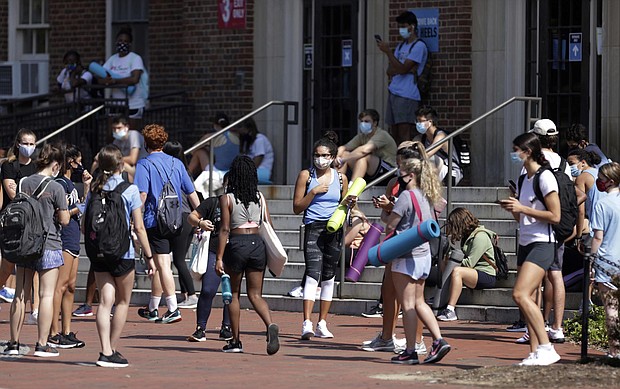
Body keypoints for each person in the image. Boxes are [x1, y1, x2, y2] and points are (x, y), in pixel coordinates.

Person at [384, 144, 451, 364]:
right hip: (423, 255)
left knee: (408, 305)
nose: (398, 174)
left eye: (401, 171)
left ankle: (410, 350)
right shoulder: (427, 194)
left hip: (405, 256)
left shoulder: (406, 196)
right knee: (420, 302)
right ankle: (439, 339)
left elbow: (390, 225)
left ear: (410, 174)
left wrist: (385, 211)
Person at [87, 145, 153, 368]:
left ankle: (104, 348)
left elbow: (85, 222)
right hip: (123, 252)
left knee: (105, 302)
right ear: (121, 165)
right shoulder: (130, 190)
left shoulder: (94, 188)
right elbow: (140, 227)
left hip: (99, 252)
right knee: (123, 301)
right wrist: (149, 255)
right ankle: (111, 350)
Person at [499, 132, 562, 366]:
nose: (514, 154)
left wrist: (522, 209)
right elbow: (523, 218)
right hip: (526, 242)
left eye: (517, 150)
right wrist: (514, 209)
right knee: (529, 299)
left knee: (520, 294)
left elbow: (555, 215)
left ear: (528, 151)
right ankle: (535, 351)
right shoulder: (525, 178)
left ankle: (547, 347)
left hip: (543, 244)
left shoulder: (545, 178)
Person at [362, 142, 429, 355]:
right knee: (388, 292)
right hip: (395, 242)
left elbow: (423, 213)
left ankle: (418, 341)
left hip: (413, 244)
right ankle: (386, 337)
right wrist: (386, 207)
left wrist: (393, 208)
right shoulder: (394, 182)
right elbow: (387, 218)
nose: (398, 167)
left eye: (401, 163)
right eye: (397, 163)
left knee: (413, 299)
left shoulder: (423, 184)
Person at [3, 143, 69, 357]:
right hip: (49, 243)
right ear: (56, 165)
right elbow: (64, 219)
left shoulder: (23, 182)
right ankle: (42, 344)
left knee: (20, 295)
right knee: (46, 294)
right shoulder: (57, 187)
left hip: (25, 244)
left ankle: (14, 342)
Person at [134, 124, 200, 324]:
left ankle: (172, 308)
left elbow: (142, 195)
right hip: (178, 220)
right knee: (162, 265)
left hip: (156, 221)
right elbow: (191, 193)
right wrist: (201, 216)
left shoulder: (144, 165)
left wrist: (133, 218)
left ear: (146, 144)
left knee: (162, 264)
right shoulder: (176, 163)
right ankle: (153, 307)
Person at [215, 156, 280, 354]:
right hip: (257, 245)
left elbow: (225, 229)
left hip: (237, 244)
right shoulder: (260, 197)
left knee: (234, 294)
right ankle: (269, 324)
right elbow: (268, 225)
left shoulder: (226, 199)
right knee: (255, 294)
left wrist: (219, 257)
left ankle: (235, 341)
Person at [293, 135, 349, 340]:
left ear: (333, 157)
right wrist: (313, 192)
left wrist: (353, 206)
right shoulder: (306, 176)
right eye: (317, 155)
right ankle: (306, 323)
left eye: (325, 155)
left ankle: (322, 323)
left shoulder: (341, 178)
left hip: (334, 229)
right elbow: (297, 207)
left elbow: (344, 204)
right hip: (313, 227)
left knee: (329, 276)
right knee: (312, 274)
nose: (320, 159)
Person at [48, 144, 92, 349]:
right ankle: (53, 331)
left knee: (72, 286)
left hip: (74, 239)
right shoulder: (59, 183)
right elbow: (61, 212)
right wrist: (77, 209)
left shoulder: (71, 183)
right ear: (68, 160)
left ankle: (67, 330)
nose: (80, 165)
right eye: (76, 161)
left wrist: (87, 186)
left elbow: (82, 204)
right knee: (61, 286)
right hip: (63, 238)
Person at [186, 176, 233, 342]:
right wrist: (200, 222)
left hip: (234, 253)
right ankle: (200, 328)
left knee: (230, 293)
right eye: (228, 183)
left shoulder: (243, 204)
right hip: (213, 251)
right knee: (208, 290)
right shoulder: (213, 202)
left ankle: (227, 327)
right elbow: (191, 217)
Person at [1, 128, 40, 324]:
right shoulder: (9, 166)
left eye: (32, 144)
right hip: (13, 222)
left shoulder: (37, 167)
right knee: (7, 267)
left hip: (32, 222)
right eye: (26, 143)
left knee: (33, 265)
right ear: (18, 144)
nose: (29, 147)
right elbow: (12, 193)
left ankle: (35, 309)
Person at [377, 10, 428, 145]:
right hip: (394, 91)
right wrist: (399, 66)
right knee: (394, 132)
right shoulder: (401, 46)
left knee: (404, 132)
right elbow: (390, 70)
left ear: (412, 27)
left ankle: (406, 160)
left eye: (404, 26)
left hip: (407, 94)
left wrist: (389, 53)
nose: (401, 29)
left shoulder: (419, 46)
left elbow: (402, 69)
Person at [436, 208, 497, 321]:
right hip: (474, 272)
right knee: (446, 263)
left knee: (457, 271)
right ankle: (441, 297)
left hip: (486, 275)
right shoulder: (468, 236)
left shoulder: (480, 237)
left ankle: (450, 310)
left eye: (454, 225)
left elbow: (469, 263)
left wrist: (452, 260)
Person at [163, 141, 199, 309]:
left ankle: (191, 294)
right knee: (180, 258)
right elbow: (193, 196)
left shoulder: (172, 171)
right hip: (189, 217)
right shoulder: (186, 171)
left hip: (179, 216)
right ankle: (186, 294)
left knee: (178, 260)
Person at [589, 162, 620, 359]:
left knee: (611, 308)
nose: (598, 182)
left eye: (600, 178)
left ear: (609, 181)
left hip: (607, 261)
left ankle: (615, 350)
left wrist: (591, 259)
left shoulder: (602, 204)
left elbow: (597, 237)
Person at [334, 109, 397, 184]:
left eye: (366, 121)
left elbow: (365, 150)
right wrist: (337, 157)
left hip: (388, 172)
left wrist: (343, 160)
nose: (363, 124)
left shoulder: (382, 134)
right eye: (362, 121)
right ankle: (338, 183)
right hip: (370, 171)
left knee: (365, 157)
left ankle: (352, 185)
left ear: (375, 123)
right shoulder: (362, 136)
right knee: (344, 154)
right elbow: (344, 147)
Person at [101, 27, 147, 124]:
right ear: (116, 42)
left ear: (130, 44)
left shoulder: (135, 58)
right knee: (112, 135)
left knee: (131, 135)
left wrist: (116, 81)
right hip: (116, 104)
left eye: (126, 41)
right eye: (120, 40)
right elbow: (101, 76)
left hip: (133, 104)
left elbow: (135, 79)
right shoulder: (112, 59)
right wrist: (105, 81)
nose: (122, 43)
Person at [413, 106, 463, 185]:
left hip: (451, 173)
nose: (418, 124)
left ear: (430, 122)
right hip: (435, 173)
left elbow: (428, 154)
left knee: (430, 158)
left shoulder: (441, 136)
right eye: (417, 121)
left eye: (420, 121)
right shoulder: (421, 138)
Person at [111, 115, 148, 181]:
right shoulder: (116, 140)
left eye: (119, 128)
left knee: (118, 164)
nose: (116, 131)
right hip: (129, 167)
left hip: (141, 167)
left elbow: (133, 159)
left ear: (126, 127)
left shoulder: (134, 135)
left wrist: (114, 158)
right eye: (114, 128)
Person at [238, 118, 274, 184]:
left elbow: (257, 162)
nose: (240, 132)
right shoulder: (249, 141)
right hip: (252, 171)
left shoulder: (259, 139)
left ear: (248, 128)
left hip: (262, 171)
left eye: (241, 128)